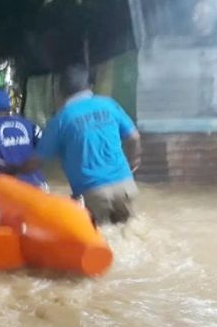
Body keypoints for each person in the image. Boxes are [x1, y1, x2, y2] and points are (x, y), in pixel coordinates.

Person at [21, 64, 142, 225]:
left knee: (101, 242)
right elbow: (133, 137)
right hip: (125, 185)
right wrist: (133, 161)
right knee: (130, 234)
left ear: (60, 91)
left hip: (93, 193)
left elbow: (35, 162)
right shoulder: (108, 104)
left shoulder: (61, 119)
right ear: (89, 86)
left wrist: (11, 169)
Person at [0, 89, 47, 189]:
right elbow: (45, 150)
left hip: (10, 191)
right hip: (39, 184)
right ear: (9, 108)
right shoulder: (28, 124)